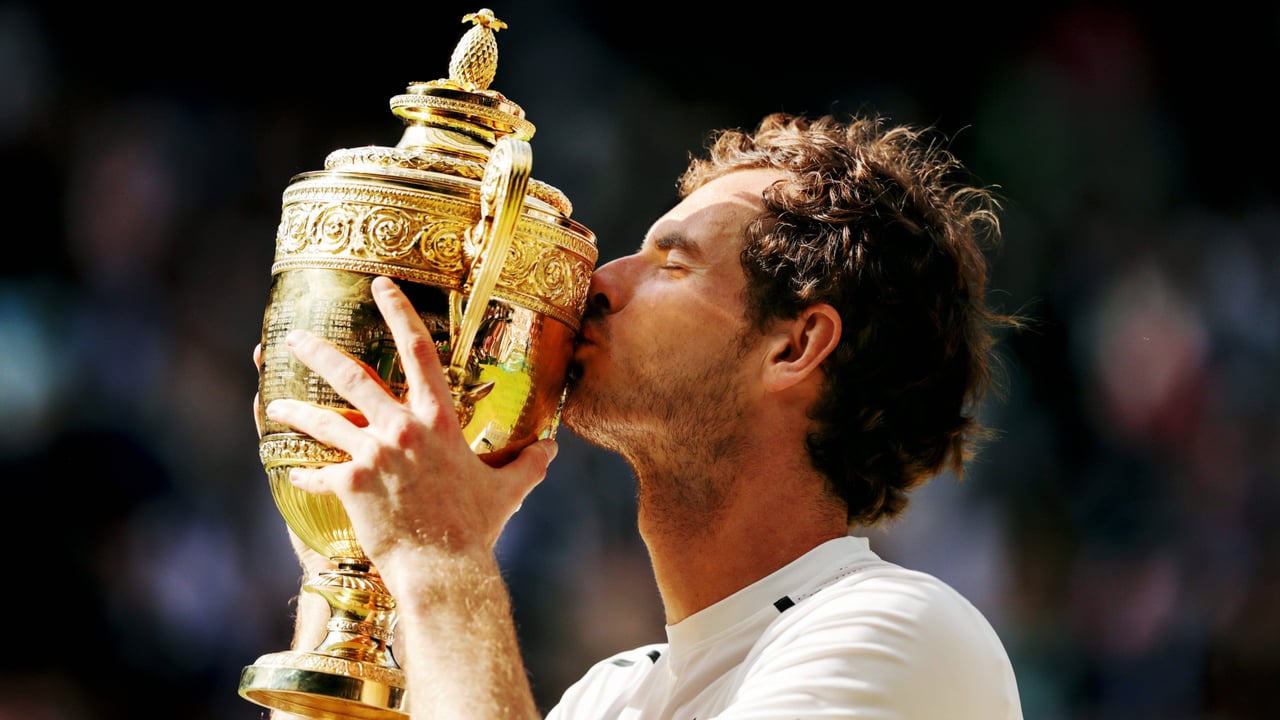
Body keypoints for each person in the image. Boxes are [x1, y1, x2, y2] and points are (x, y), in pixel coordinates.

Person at [261, 111, 1025, 719]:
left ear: (795, 346)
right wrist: (349, 565)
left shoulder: (900, 630)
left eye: (672, 263)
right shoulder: (607, 698)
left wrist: (441, 549)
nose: (600, 282)